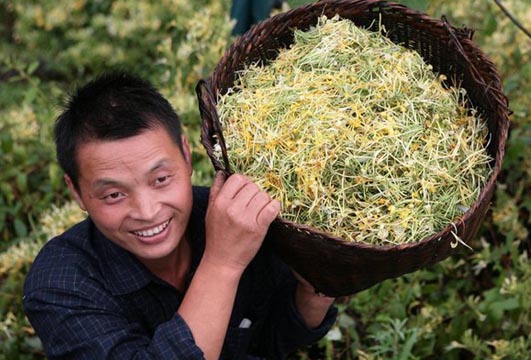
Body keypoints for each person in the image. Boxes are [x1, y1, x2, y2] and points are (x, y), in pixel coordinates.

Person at [23, 72, 337, 359]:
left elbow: (269, 341)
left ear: (186, 155)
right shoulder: (61, 282)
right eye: (114, 195)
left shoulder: (237, 219)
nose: (147, 212)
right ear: (76, 191)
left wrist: (314, 294)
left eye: (161, 180)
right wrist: (222, 264)